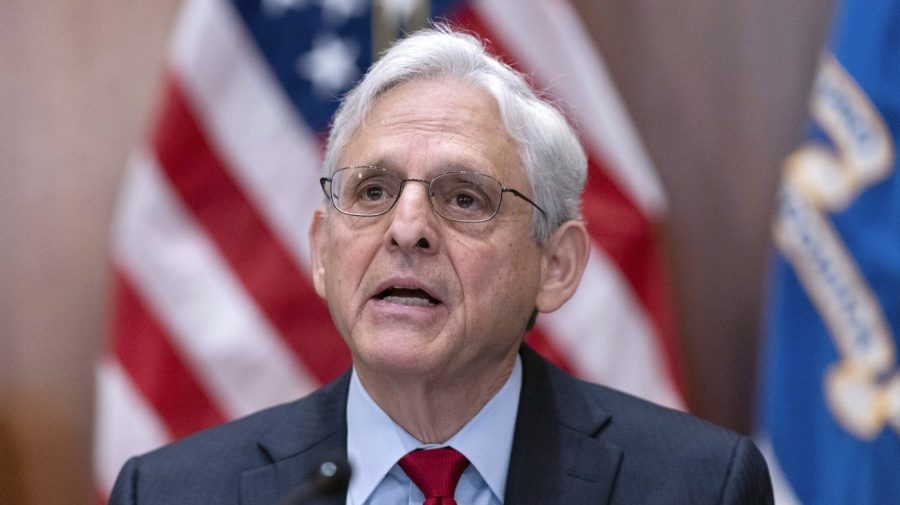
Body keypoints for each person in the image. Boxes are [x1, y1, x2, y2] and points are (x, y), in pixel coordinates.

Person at [109, 26, 774, 504]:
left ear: (557, 264)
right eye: (372, 191)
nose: (407, 229)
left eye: (464, 198)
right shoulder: (172, 492)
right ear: (321, 249)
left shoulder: (697, 484)